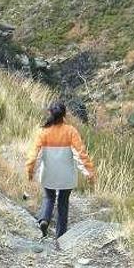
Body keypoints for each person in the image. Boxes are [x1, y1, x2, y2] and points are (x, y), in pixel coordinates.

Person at [25, 102, 95, 239]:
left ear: (50, 113)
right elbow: (80, 155)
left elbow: (35, 156)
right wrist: (89, 173)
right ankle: (61, 236)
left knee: (49, 197)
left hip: (49, 174)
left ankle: (44, 219)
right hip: (66, 177)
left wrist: (30, 171)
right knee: (63, 203)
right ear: (64, 115)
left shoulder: (43, 132)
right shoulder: (71, 131)